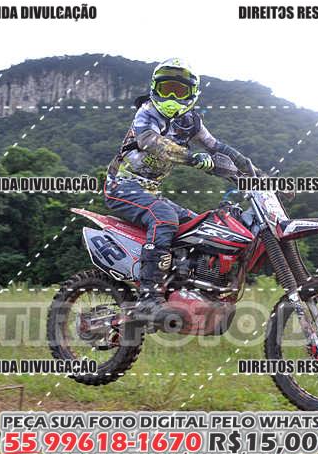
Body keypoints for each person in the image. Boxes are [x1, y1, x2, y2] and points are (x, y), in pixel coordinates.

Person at [104, 58, 256, 319]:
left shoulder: (191, 121)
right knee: (164, 218)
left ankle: (184, 286)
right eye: (167, 90)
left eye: (179, 91)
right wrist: (191, 157)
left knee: (200, 225)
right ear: (155, 89)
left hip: (151, 191)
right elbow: (149, 141)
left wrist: (251, 169)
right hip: (122, 186)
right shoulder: (147, 111)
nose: (172, 97)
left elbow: (216, 146)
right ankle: (148, 297)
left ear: (191, 94)